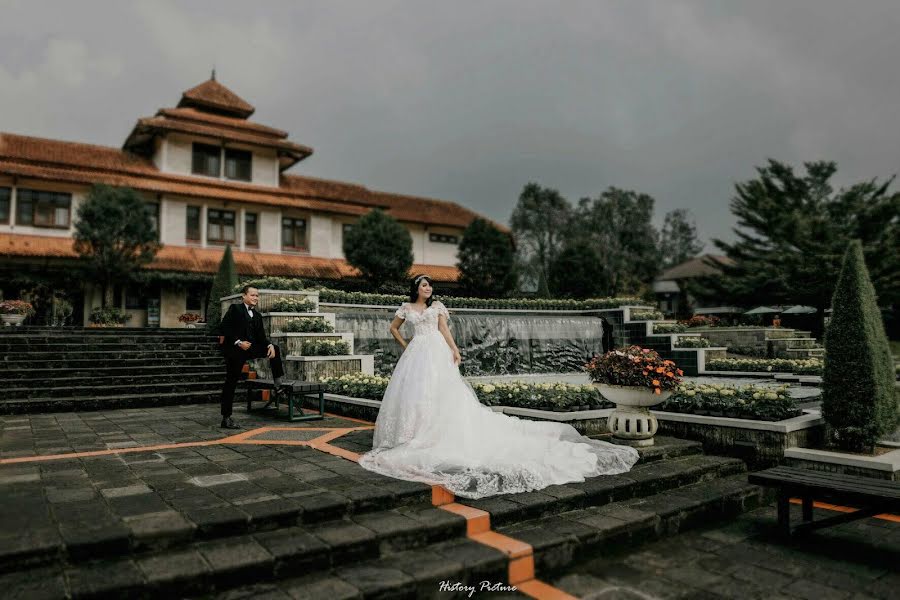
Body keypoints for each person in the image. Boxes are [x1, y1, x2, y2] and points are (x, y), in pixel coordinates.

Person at [358, 274, 640, 499]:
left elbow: (445, 331)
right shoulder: (407, 309)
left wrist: (455, 350)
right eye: (423, 285)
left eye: (430, 284)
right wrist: (406, 344)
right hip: (417, 352)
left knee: (442, 393)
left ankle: (434, 430)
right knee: (415, 395)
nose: (428, 288)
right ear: (415, 289)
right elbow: (393, 327)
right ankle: (414, 432)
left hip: (436, 352)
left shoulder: (438, 309)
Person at [218, 285, 286, 429]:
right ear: (244, 296)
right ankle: (226, 417)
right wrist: (238, 342)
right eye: (252, 295)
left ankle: (278, 385)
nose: (255, 298)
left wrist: (269, 345)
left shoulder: (257, 316)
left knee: (276, 349)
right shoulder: (235, 309)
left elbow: (261, 337)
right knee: (231, 381)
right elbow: (224, 328)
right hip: (236, 349)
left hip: (251, 348)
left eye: (257, 295)